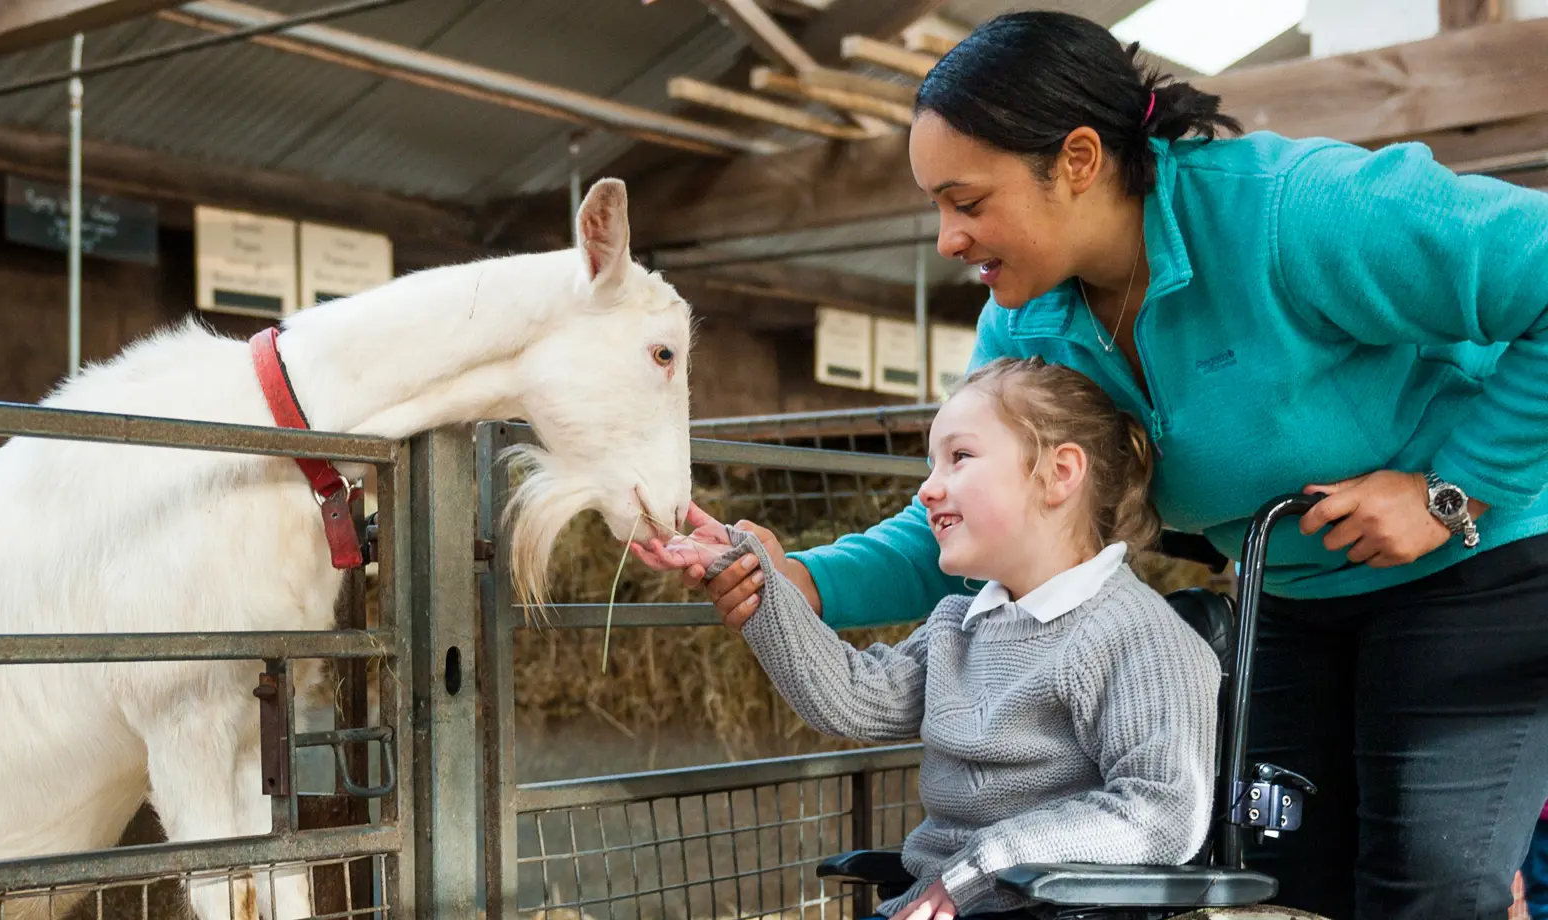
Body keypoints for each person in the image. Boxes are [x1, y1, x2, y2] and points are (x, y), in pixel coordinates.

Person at [634, 11, 1548, 920]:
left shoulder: (1293, 210)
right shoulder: (1030, 321)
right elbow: (983, 510)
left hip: (1478, 563)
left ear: (1076, 161)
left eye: (968, 201)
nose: (949, 239)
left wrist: (1450, 489)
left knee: (1427, 887)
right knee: (1287, 886)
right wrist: (797, 580)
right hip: (1290, 598)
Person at [655, 357, 1222, 920]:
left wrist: (983, 867)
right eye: (932, 465)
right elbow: (856, 699)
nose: (927, 490)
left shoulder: (1138, 638)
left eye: (960, 457)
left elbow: (1164, 810)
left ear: (1060, 474)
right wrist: (757, 583)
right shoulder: (962, 623)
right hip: (937, 902)